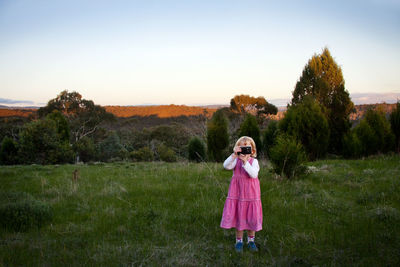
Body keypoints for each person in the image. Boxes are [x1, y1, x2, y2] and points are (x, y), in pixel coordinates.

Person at [220, 136, 262, 252]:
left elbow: (253, 175)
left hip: (251, 195)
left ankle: (251, 241)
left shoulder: (254, 162)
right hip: (238, 194)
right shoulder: (235, 161)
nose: (244, 150)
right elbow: (226, 166)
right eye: (241, 147)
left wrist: (245, 162)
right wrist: (234, 155)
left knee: (251, 218)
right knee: (240, 216)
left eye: (247, 148)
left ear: (252, 150)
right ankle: (239, 241)